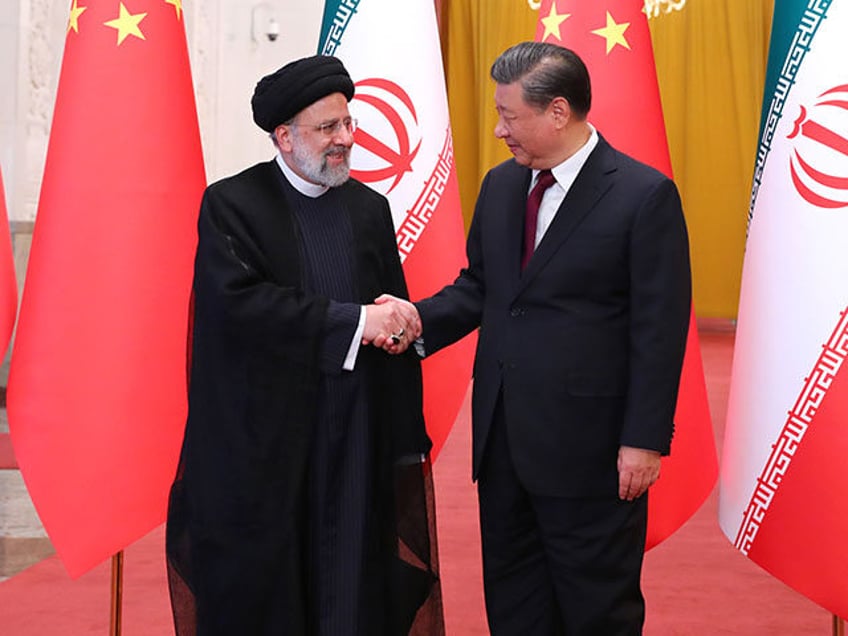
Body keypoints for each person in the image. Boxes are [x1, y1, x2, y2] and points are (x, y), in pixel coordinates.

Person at [402, 41, 692, 634]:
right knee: (514, 603)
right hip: (504, 442)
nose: (498, 129)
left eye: (510, 115)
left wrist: (644, 439)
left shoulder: (643, 196)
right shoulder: (502, 186)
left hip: (592, 450)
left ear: (558, 111)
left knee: (595, 608)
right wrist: (412, 321)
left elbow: (659, 331)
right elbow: (482, 288)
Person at [165, 54, 443, 636]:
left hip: (355, 439)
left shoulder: (370, 209)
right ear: (285, 136)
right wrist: (355, 323)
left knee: (351, 587)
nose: (345, 139)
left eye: (348, 123)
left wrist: (394, 326)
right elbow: (242, 308)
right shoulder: (232, 205)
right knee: (268, 596)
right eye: (327, 128)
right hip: (267, 447)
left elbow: (385, 308)